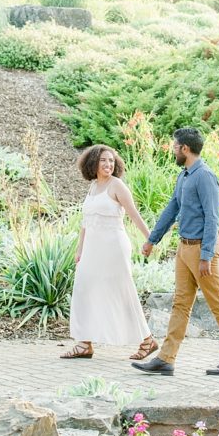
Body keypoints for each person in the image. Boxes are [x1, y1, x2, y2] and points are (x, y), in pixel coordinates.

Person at [131, 127, 219, 376]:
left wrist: (205, 256)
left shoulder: (204, 176)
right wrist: (152, 240)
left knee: (218, 303)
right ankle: (166, 358)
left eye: (175, 147)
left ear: (185, 148)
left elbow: (213, 218)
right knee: (180, 304)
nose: (173, 150)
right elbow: (172, 209)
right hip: (184, 248)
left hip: (203, 250)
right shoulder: (184, 176)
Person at [61, 144, 158, 361]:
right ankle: (84, 343)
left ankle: (147, 340)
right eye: (104, 160)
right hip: (92, 248)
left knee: (122, 291)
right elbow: (85, 222)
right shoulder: (93, 186)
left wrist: (150, 239)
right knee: (84, 289)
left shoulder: (117, 186)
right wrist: (80, 249)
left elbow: (134, 215)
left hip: (113, 246)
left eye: (112, 161)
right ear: (93, 163)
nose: (108, 164)